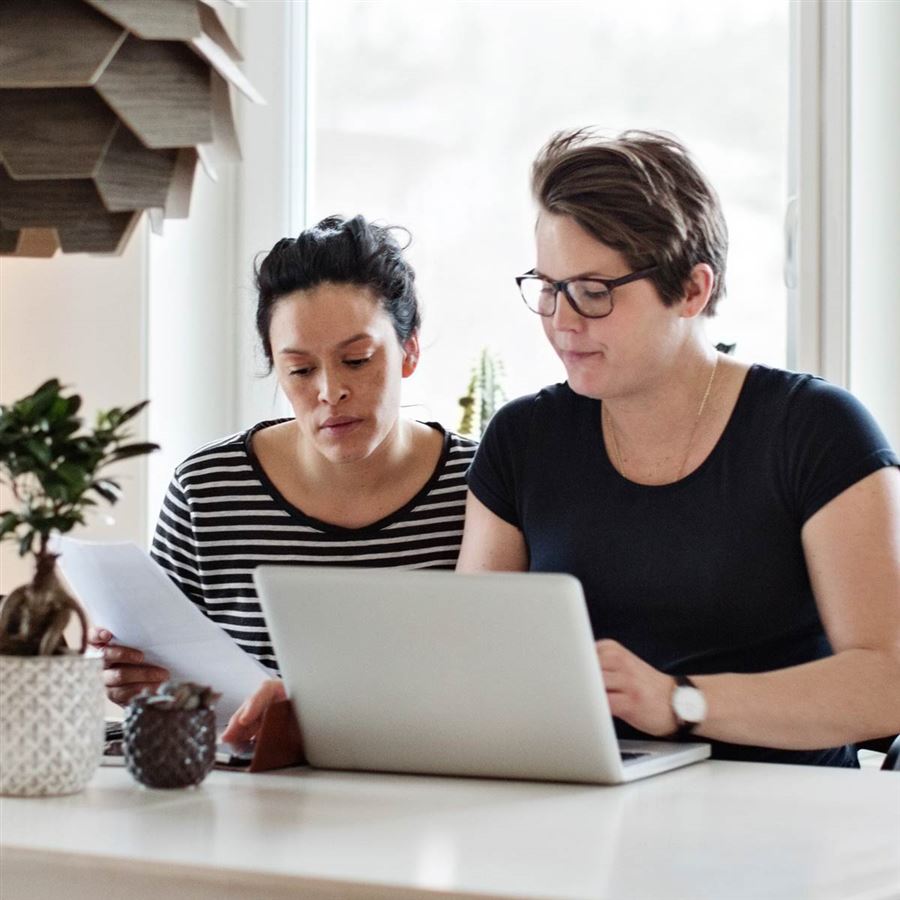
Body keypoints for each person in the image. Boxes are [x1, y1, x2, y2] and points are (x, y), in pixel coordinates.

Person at [457, 129, 900, 766]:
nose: (562, 320)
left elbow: (885, 682)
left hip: (786, 824)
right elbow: (470, 661)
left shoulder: (818, 429)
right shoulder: (523, 440)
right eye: (548, 287)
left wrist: (681, 702)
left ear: (692, 290)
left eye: (593, 291)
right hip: (581, 816)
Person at [91, 215, 477, 737]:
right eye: (299, 369)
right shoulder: (208, 490)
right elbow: (170, 693)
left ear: (409, 351)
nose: (329, 391)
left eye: (357, 360)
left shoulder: (478, 486)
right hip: (252, 797)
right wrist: (140, 682)